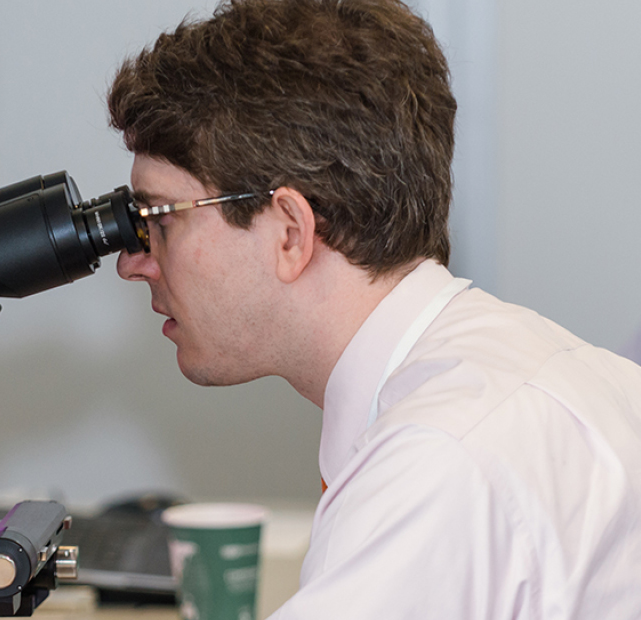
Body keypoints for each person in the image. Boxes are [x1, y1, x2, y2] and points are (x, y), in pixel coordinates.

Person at [107, 0, 641, 618]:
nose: (132, 261)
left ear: (289, 232)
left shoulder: (438, 463)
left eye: (157, 221)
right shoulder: (541, 373)